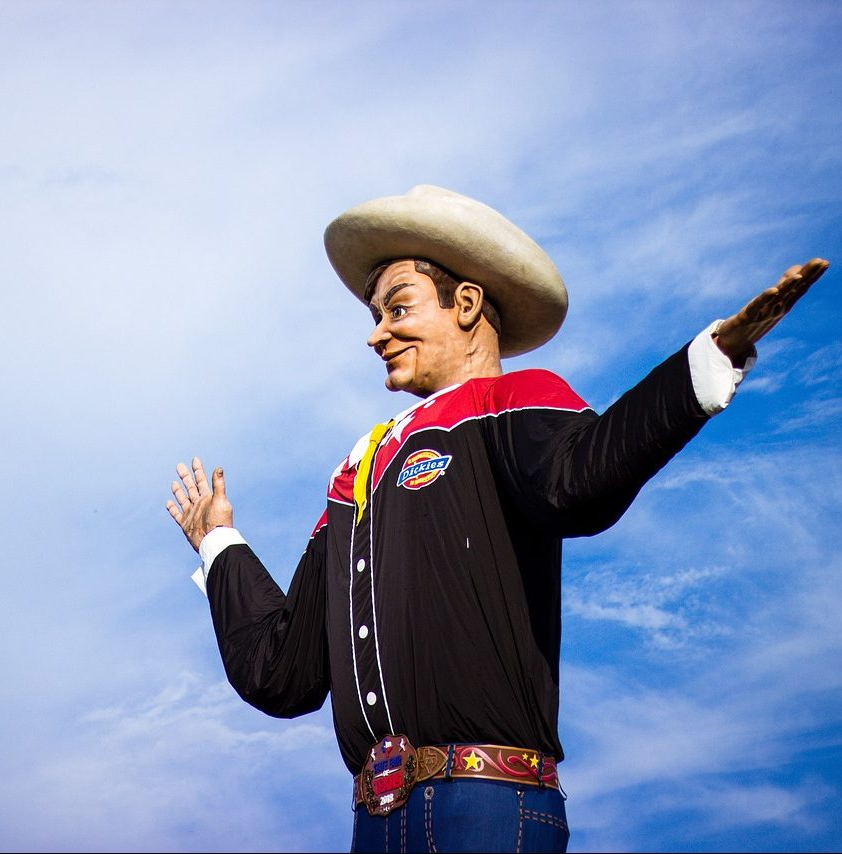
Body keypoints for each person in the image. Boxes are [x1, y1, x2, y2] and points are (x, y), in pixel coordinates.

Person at [165, 185, 829, 853]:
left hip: (488, 808)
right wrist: (219, 542)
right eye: (373, 315)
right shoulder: (355, 474)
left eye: (398, 307)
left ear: (467, 305)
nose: (375, 334)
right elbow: (283, 671)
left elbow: (582, 481)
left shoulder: (514, 401)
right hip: (371, 824)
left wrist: (711, 357)